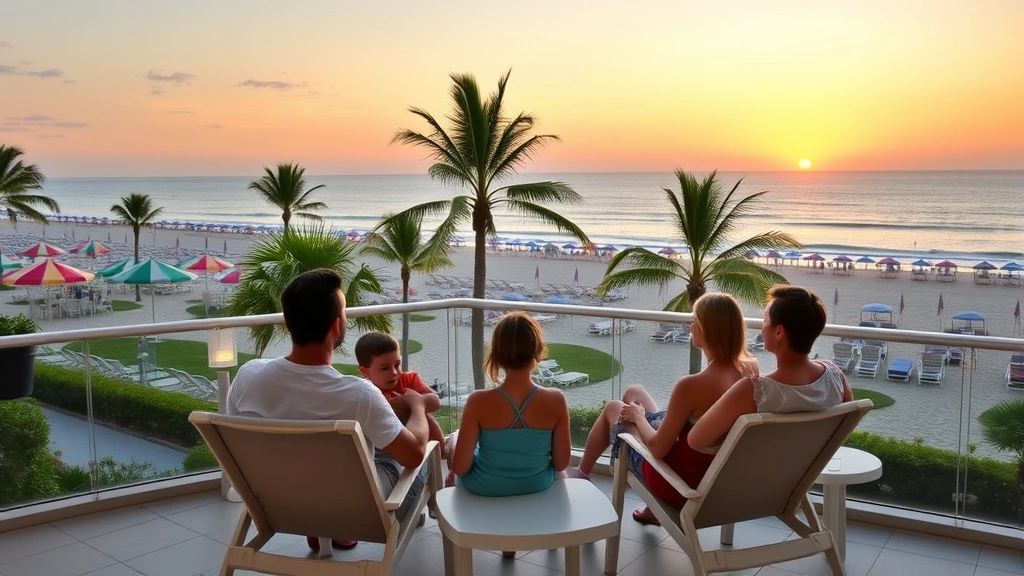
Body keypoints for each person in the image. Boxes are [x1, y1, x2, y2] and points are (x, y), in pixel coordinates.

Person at [227, 269, 430, 553]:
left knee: (379, 441)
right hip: (350, 510)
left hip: (279, 502)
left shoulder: (248, 377)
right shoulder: (358, 394)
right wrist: (418, 407)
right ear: (337, 326)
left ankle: (318, 529)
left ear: (287, 324)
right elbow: (415, 454)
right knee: (426, 451)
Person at [567, 293, 757, 525]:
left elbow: (657, 449)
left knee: (614, 408)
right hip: (716, 479)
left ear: (707, 330)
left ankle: (582, 477)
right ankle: (649, 508)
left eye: (695, 319)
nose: (690, 325)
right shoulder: (749, 370)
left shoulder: (691, 386)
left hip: (676, 482)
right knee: (634, 392)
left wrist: (638, 418)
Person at [447, 312, 571, 557]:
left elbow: (460, 468)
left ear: (496, 355)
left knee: (456, 440)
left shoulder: (478, 402)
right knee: (563, 475)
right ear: (538, 352)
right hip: (536, 484)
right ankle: (551, 532)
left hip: (485, 487)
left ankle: (507, 543)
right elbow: (560, 462)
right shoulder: (555, 400)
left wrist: (453, 441)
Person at [688, 285, 855, 453]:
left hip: (751, 476)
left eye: (765, 320)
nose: (762, 327)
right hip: (799, 475)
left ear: (778, 332)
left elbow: (696, 440)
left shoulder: (753, 391)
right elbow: (843, 426)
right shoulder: (836, 376)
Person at [354, 331, 446, 454]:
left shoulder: (408, 380)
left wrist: (415, 402)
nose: (394, 372)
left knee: (426, 416)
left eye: (397, 365)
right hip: (386, 446)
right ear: (365, 371)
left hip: (420, 437)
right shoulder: (365, 391)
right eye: (385, 368)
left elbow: (436, 402)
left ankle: (442, 452)